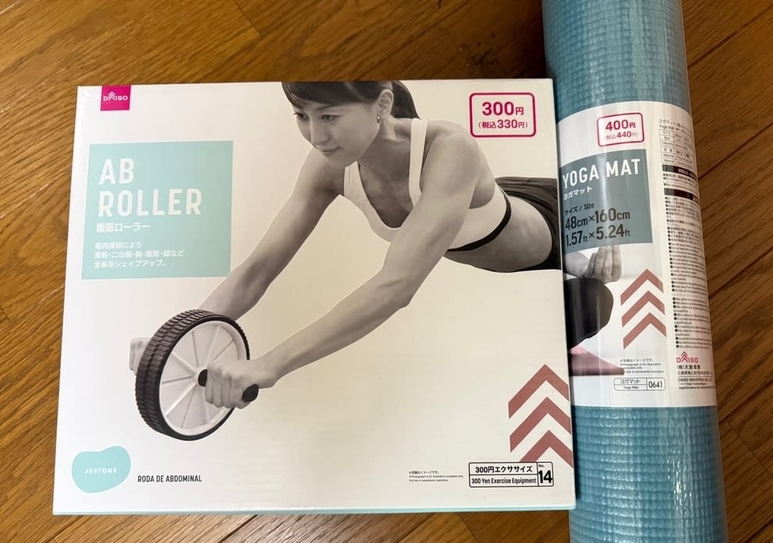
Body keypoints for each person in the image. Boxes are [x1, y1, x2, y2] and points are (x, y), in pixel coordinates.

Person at [131, 80, 620, 409]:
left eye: (329, 116)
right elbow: (259, 268)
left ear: (382, 105)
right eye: (301, 116)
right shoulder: (329, 166)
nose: (315, 136)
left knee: (595, 300)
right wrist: (177, 339)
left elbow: (396, 285)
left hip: (552, 220)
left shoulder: (450, 149)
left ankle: (581, 260)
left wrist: (268, 365)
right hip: (485, 216)